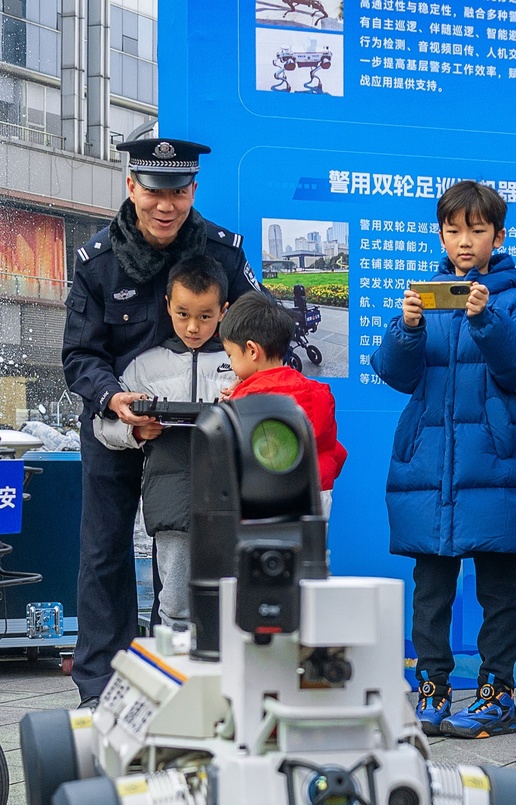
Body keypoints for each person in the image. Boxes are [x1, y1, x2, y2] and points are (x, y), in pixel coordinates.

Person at [62, 137, 266, 707]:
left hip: (201, 442)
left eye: (178, 192)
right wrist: (113, 399)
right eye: (154, 192)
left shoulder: (224, 254)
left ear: (193, 190)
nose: (165, 206)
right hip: (120, 425)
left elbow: (264, 331)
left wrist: (245, 381)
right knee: (104, 551)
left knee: (192, 556)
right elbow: (80, 355)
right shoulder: (98, 261)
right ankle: (101, 687)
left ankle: (192, 681)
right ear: (132, 187)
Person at [373, 180, 516, 739]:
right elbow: (395, 373)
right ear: (441, 235)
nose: (464, 241)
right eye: (453, 230)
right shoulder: (425, 297)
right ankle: (432, 689)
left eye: (477, 229)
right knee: (431, 590)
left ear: (499, 236)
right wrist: (407, 329)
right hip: (430, 467)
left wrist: (486, 318)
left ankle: (498, 694)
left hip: (495, 463)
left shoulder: (514, 299)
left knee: (499, 587)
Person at [90, 256, 234, 630]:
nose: (193, 326)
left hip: (233, 501)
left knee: (233, 597)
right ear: (167, 306)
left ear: (223, 311)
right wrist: (136, 432)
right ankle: (173, 664)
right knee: (175, 603)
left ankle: (229, 664)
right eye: (183, 314)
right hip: (170, 499)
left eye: (205, 316)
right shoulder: (145, 365)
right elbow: (102, 425)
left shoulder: (238, 362)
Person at [220, 291, 347, 505]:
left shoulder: (246, 400)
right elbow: (335, 450)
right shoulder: (318, 393)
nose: (231, 364)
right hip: (318, 492)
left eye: (230, 355)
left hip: (268, 497)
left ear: (252, 350)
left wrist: (228, 409)